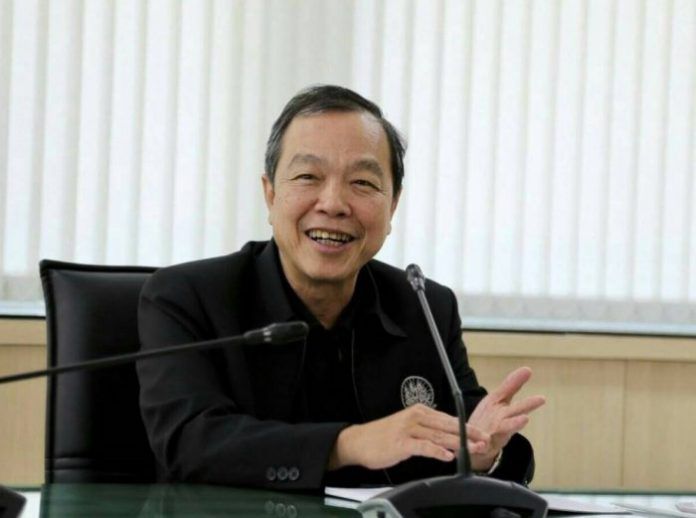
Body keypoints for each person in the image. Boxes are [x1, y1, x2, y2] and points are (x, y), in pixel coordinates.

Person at [136, 85, 545, 490]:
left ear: (393, 205)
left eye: (362, 183)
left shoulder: (425, 306)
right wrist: (348, 444)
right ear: (270, 194)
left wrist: (483, 453)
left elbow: (472, 429)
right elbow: (188, 441)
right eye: (308, 176)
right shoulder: (186, 298)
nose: (333, 203)